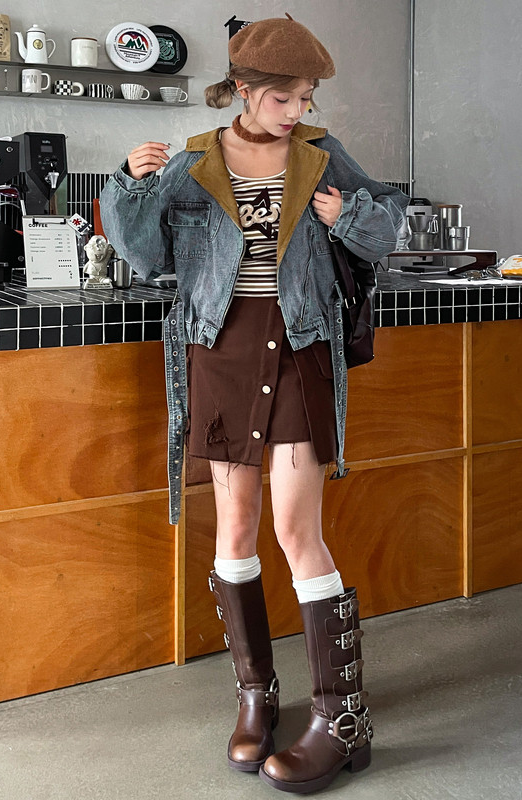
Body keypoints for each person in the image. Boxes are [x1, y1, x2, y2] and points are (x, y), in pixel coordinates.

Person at [100, 14, 408, 794]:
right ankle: (255, 695)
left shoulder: (323, 154)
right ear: (244, 90)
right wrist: (129, 182)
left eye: (306, 99)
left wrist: (349, 217)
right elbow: (143, 253)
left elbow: (386, 229)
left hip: (301, 345)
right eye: (285, 99)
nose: (298, 112)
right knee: (235, 525)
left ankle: (343, 719)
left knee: (297, 530)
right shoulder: (194, 160)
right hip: (221, 347)